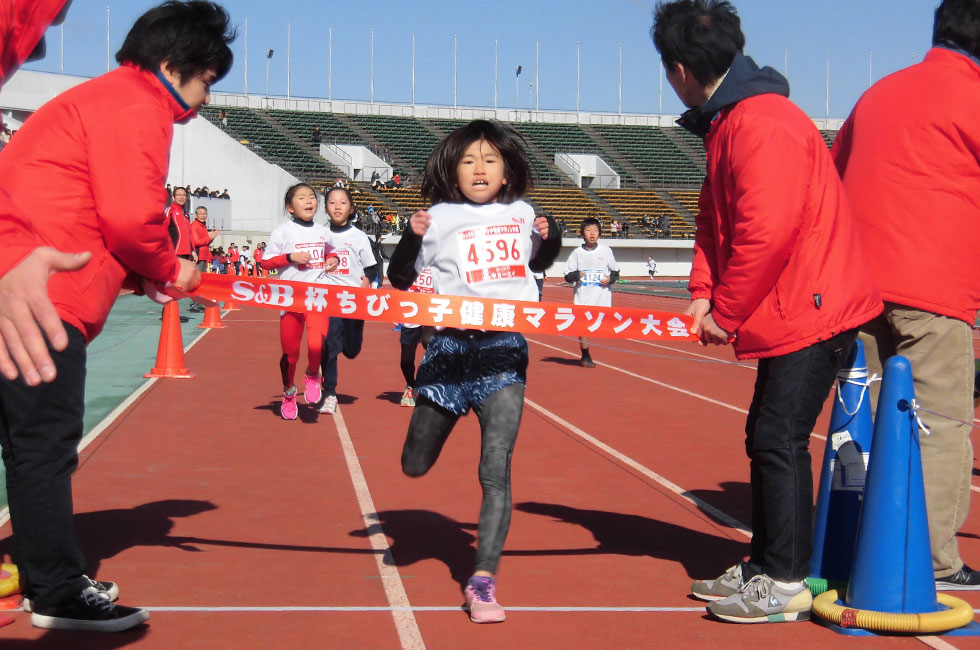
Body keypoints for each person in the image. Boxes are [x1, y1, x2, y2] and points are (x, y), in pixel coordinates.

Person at [0, 0, 234, 632]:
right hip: (40, 300)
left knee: (26, 444)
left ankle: (45, 574)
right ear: (172, 65)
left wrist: (138, 274)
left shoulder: (102, 99)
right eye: (206, 80)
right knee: (42, 447)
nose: (206, 99)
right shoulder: (137, 104)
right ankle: (54, 590)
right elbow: (131, 218)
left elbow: (89, 212)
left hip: (31, 282)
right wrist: (167, 266)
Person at [652, 0, 881, 624]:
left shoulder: (762, 123)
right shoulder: (730, 122)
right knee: (767, 437)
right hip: (790, 307)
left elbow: (767, 231)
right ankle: (767, 562)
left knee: (778, 439)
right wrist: (702, 290)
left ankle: (784, 580)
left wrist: (724, 311)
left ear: (678, 69)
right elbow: (711, 219)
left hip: (813, 308)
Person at [387, 119, 561, 624]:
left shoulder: (524, 213)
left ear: (507, 172)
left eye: (489, 159)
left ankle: (482, 581)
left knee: (496, 468)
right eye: (468, 160)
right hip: (446, 353)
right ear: (453, 171)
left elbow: (541, 260)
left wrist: (552, 237)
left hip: (503, 352)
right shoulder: (437, 216)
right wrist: (409, 234)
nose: (479, 168)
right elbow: (400, 277)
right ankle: (433, 424)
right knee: (414, 464)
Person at [832, 0, 980, 590]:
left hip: (860, 282)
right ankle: (935, 562)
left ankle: (846, 538)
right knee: (940, 424)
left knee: (859, 414)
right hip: (936, 287)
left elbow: (837, 167)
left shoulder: (879, 93)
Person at [261, 183, 340, 420]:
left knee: (317, 344)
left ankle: (313, 374)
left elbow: (331, 251)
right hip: (291, 298)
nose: (309, 201)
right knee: (290, 354)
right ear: (290, 207)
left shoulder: (322, 231)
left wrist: (333, 259)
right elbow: (266, 263)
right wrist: (290, 257)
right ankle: (288, 393)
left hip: (316, 297)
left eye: (312, 197)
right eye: (302, 198)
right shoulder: (283, 232)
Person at [317, 187, 378, 415]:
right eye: (332, 202)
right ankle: (330, 392)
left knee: (351, 350)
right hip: (328, 301)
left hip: (352, 301)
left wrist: (366, 280)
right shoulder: (320, 235)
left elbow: (371, 268)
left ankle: (347, 343)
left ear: (351, 208)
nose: (337, 206)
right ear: (326, 208)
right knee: (329, 345)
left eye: (343, 202)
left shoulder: (359, 237)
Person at [564, 217, 619, 368]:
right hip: (583, 298)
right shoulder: (576, 253)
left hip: (602, 299)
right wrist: (577, 275)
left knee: (602, 329)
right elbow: (567, 276)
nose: (592, 233)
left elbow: (616, 273)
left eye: (595, 230)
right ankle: (585, 355)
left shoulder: (606, 251)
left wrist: (610, 280)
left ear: (599, 233)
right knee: (583, 328)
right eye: (588, 230)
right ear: (582, 234)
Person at [397, 268, 435, 407]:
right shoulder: (409, 258)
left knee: (429, 342)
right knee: (406, 359)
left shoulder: (439, 256)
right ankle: (410, 385)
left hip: (432, 311)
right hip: (411, 312)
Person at [190, 204, 219, 279]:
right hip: (198, 256)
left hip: (204, 256)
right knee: (198, 278)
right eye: (201, 214)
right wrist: (209, 237)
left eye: (205, 214)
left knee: (202, 278)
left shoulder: (203, 226)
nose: (203, 216)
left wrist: (212, 237)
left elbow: (206, 242)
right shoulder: (194, 226)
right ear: (196, 215)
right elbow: (196, 242)